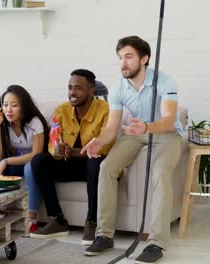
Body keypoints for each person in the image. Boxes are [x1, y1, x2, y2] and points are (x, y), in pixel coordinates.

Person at [81, 36, 183, 263]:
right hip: (135, 133)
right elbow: (111, 127)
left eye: (128, 57)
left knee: (159, 174)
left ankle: (156, 243)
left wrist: (146, 126)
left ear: (144, 59)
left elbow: (168, 121)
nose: (123, 63)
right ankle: (104, 235)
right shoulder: (118, 87)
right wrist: (99, 140)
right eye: (120, 58)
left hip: (166, 134)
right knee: (106, 167)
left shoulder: (165, 82)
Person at [30, 69, 112, 246]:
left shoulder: (105, 109)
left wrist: (74, 152)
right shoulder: (62, 110)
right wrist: (57, 150)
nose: (72, 93)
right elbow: (53, 141)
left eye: (78, 88)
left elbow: (105, 146)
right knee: (39, 161)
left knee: (94, 161)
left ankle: (92, 222)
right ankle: (57, 219)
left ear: (91, 91)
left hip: (94, 168)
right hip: (67, 166)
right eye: (70, 87)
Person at [0, 85, 49, 233]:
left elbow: (35, 154)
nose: (9, 110)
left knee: (30, 166)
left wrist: (6, 162)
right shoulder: (4, 124)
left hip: (36, 163)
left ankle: (31, 218)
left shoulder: (34, 122)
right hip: (17, 162)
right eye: (6, 105)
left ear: (23, 106)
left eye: (14, 105)